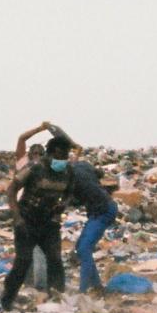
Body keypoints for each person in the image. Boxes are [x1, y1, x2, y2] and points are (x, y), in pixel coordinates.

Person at [0, 122, 73, 310]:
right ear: (51, 153)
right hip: (27, 220)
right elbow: (11, 190)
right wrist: (17, 218)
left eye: (65, 156)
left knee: (55, 260)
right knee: (23, 262)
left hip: (49, 222)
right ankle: (6, 300)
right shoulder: (35, 167)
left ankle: (56, 301)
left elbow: (70, 193)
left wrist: (61, 208)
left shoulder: (68, 171)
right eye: (59, 155)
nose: (63, 159)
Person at [46, 126, 120, 294]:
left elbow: (68, 198)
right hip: (101, 208)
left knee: (84, 248)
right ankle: (97, 285)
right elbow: (99, 174)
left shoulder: (67, 176)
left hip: (103, 211)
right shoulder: (83, 165)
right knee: (81, 246)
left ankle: (84, 289)